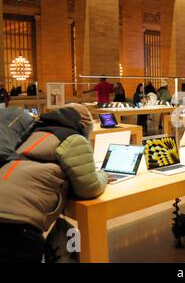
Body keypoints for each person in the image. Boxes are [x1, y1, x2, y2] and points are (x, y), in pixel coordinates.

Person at [0, 103, 108, 263]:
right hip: (18, 222)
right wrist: (103, 175)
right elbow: (89, 188)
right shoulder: (73, 139)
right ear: (84, 126)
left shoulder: (35, 134)